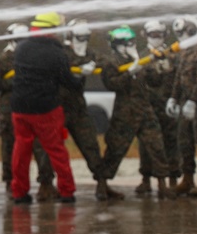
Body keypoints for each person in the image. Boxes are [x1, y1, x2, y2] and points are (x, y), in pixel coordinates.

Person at [98, 25, 176, 200]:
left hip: (145, 110)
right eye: (127, 43)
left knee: (157, 147)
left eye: (132, 42)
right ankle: (102, 186)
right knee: (115, 149)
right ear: (117, 45)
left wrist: (159, 67)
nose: (131, 45)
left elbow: (154, 81)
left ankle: (162, 185)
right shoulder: (111, 63)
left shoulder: (139, 59)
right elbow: (112, 84)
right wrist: (129, 73)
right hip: (125, 113)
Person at [9, 12, 79, 204]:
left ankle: (19, 193)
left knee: (21, 150)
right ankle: (67, 191)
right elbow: (69, 82)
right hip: (45, 109)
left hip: (20, 108)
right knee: (56, 151)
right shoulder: (56, 53)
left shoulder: (22, 48)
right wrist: (82, 78)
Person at [61, 19, 125, 201]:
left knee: (91, 147)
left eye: (86, 37)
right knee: (51, 149)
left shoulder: (89, 53)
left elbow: (105, 62)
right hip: (59, 108)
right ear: (70, 36)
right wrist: (78, 68)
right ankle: (48, 186)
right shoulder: (62, 53)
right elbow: (62, 66)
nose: (83, 41)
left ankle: (103, 186)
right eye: (80, 37)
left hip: (79, 108)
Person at [0, 23, 54, 198]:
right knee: (11, 149)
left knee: (41, 146)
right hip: (10, 109)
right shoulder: (4, 59)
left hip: (34, 107)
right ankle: (12, 183)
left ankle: (46, 183)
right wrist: (19, 82)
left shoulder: (36, 56)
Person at [167, 15, 197, 197]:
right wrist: (173, 99)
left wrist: (193, 101)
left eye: (182, 31)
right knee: (184, 142)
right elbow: (179, 79)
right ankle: (187, 178)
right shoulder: (184, 52)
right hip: (185, 105)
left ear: (192, 30)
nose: (179, 36)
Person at [136, 20, 181, 195]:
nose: (156, 38)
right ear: (145, 36)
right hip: (148, 107)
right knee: (146, 143)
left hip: (168, 105)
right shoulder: (141, 56)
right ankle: (146, 179)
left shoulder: (173, 56)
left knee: (171, 141)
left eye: (159, 35)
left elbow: (179, 79)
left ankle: (173, 179)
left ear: (165, 35)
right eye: (152, 35)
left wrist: (176, 100)